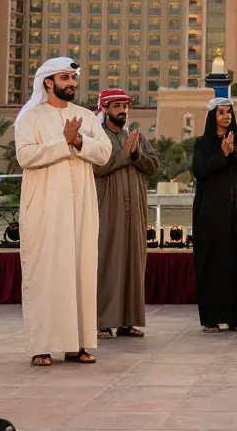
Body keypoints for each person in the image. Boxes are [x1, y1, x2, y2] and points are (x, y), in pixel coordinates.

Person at [14, 57, 113, 366]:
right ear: (48, 82)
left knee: (80, 273)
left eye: (73, 77)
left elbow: (105, 153)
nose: (71, 82)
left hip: (81, 208)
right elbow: (25, 156)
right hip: (44, 210)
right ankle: (41, 346)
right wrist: (63, 142)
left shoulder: (86, 116)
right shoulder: (30, 118)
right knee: (46, 274)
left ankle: (78, 345)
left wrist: (79, 140)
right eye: (65, 77)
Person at [190, 97, 237, 332]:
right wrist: (221, 154)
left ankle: (235, 317)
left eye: (229, 111)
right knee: (213, 261)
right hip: (211, 214)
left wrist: (234, 153)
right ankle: (211, 318)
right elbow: (200, 171)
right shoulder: (202, 143)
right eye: (221, 112)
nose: (226, 116)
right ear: (213, 117)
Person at [93, 88, 158, 340]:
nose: (122, 110)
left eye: (125, 106)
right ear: (105, 109)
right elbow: (97, 167)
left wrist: (135, 154)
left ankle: (128, 321)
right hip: (107, 208)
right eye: (117, 106)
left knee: (133, 261)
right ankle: (102, 321)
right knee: (108, 261)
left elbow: (152, 164)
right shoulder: (97, 137)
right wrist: (124, 155)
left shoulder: (136, 137)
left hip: (136, 210)